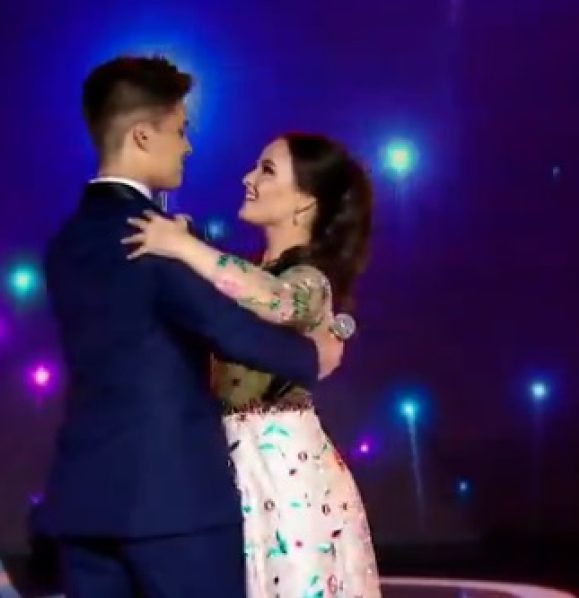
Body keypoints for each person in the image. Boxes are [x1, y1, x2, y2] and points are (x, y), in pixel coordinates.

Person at [40, 56, 343, 598]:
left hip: (83, 505)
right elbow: (228, 328)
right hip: (173, 505)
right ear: (142, 135)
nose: (187, 147)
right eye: (180, 131)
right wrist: (313, 356)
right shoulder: (153, 238)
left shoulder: (66, 242)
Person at [123, 132, 382, 596]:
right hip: (225, 460)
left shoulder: (309, 280)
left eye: (267, 170)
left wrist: (183, 247)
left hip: (282, 469)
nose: (248, 178)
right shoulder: (243, 271)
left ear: (304, 201)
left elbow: (278, 301)